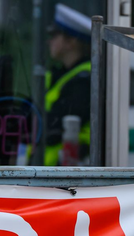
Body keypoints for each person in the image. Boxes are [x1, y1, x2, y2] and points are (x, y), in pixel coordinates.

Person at [44, 4, 91, 165]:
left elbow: (53, 127)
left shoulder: (83, 81)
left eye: (54, 35)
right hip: (49, 169)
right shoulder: (61, 75)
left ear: (71, 41)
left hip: (62, 170)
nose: (49, 41)